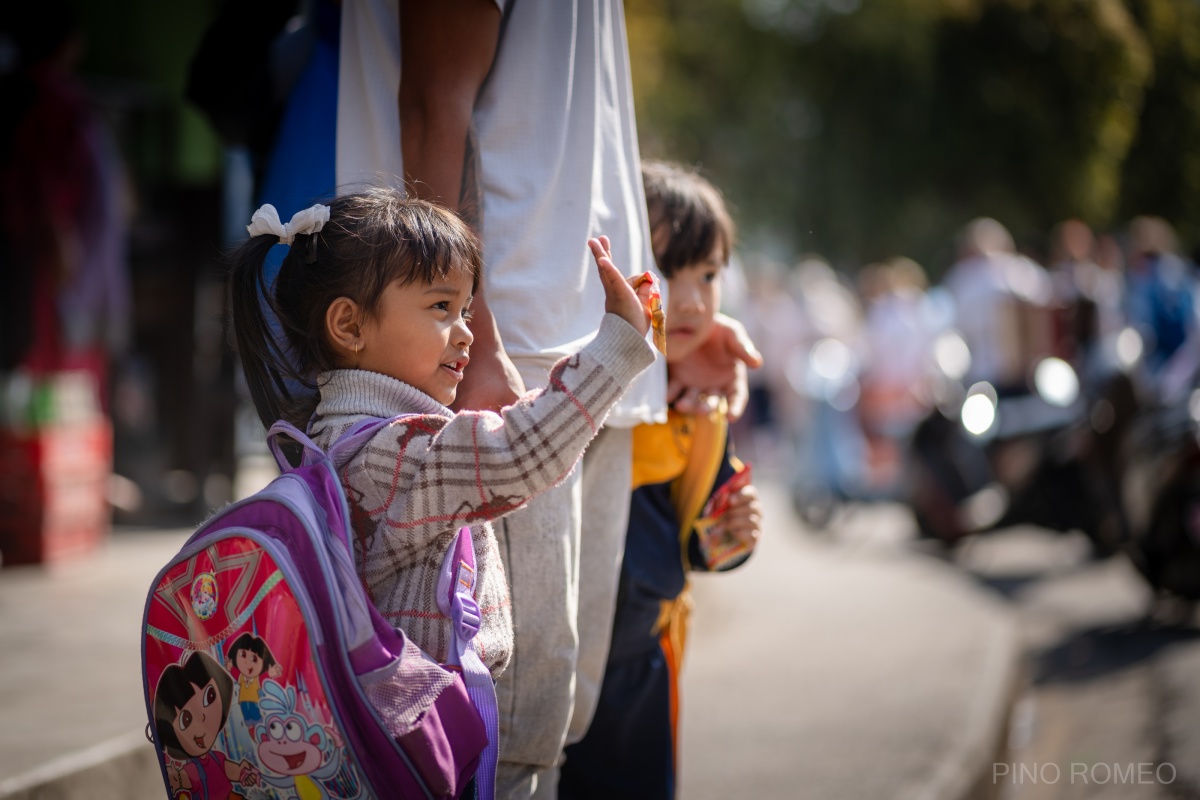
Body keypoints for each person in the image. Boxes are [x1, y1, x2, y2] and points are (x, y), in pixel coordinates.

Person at [333, 4, 763, 798]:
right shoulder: (477, 347)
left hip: (578, 347)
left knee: (558, 722)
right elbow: (434, 96)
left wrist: (670, 332)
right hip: (521, 355)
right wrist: (474, 331)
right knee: (508, 729)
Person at [228, 188, 658, 792]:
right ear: (349, 324)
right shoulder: (392, 454)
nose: (465, 335)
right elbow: (518, 451)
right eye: (441, 307)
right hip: (417, 741)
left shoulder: (333, 439)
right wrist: (617, 344)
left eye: (466, 311)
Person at [558, 162, 763, 800]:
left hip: (644, 654)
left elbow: (700, 541)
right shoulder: (579, 384)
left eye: (709, 275)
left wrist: (736, 531)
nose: (695, 301)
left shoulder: (701, 403)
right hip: (559, 651)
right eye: (670, 273)